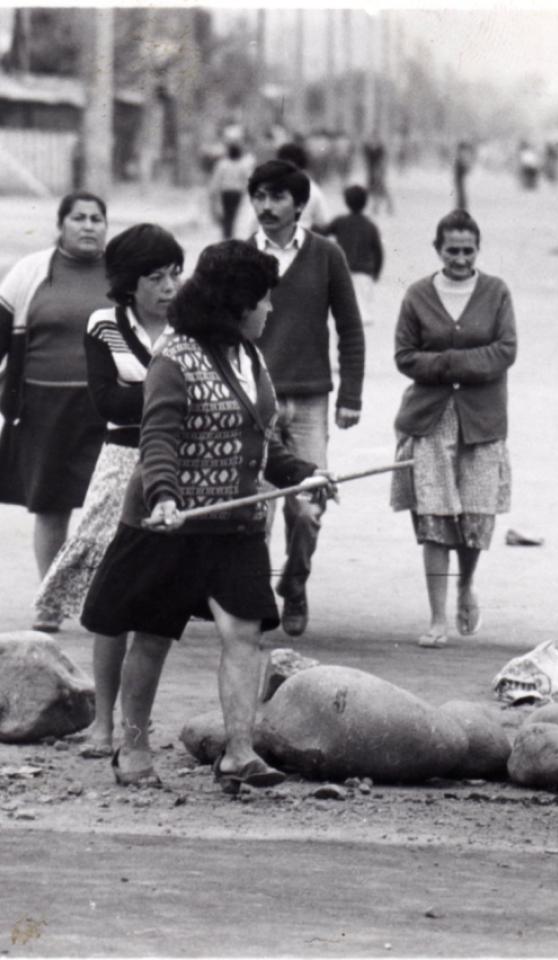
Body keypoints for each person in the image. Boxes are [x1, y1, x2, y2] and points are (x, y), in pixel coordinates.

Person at [80, 240, 335, 790]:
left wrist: (301, 473)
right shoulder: (174, 356)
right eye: (263, 301)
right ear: (236, 304)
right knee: (151, 635)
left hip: (235, 523)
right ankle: (133, 749)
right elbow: (159, 437)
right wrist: (166, 498)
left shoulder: (251, 355)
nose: (271, 311)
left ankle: (238, 753)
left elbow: (260, 441)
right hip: (168, 524)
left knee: (244, 631)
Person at [34, 226, 182, 754]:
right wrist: (170, 393)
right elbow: (107, 404)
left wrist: (144, 393)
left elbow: (131, 397)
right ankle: (102, 724)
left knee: (161, 597)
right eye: (156, 277)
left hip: (181, 463)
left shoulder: (192, 323)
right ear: (128, 283)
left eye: (174, 274)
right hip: (121, 461)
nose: (169, 286)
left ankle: (137, 729)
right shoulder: (105, 324)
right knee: (111, 593)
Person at [248, 158, 364, 636]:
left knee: (307, 507)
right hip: (252, 402)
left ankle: (294, 584)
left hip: (311, 401)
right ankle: (252, 601)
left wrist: (350, 397)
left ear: (299, 204)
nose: (266, 206)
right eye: (259, 196)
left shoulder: (326, 255)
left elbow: (351, 328)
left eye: (277, 197)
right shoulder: (239, 257)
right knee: (255, 508)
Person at [390, 210, 516, 648]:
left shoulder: (496, 292)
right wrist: (451, 366)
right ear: (437, 249)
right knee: (435, 520)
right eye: (452, 251)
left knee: (475, 518)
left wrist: (446, 363)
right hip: (430, 419)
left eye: (468, 251)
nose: (461, 259)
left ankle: (466, 584)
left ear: (478, 249)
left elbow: (505, 350)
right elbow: (404, 356)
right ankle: (436, 616)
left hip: (481, 422)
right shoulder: (418, 295)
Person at [0, 191, 112, 624]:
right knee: (50, 505)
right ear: (61, 225)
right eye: (79, 218)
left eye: (97, 219)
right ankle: (50, 600)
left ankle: (100, 600)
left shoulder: (121, 274)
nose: (88, 226)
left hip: (110, 408)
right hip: (44, 406)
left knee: (110, 507)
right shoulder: (31, 272)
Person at [327, 185, 384, 327]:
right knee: (363, 297)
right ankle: (364, 316)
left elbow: (323, 231)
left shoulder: (340, 221)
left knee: (343, 295)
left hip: (344, 267)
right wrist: (376, 271)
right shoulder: (370, 225)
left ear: (346, 202)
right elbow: (378, 251)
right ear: (365, 202)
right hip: (365, 269)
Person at [276, 142, 332, 234]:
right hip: (304, 241)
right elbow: (324, 223)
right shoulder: (314, 190)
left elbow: (253, 224)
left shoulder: (268, 188)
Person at [207, 143, 253, 240]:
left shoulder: (223, 164)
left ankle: (226, 235)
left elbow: (217, 179)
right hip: (237, 193)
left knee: (226, 214)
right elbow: (247, 179)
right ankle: (229, 234)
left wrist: (213, 191)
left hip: (225, 192)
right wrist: (246, 190)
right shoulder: (242, 165)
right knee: (232, 214)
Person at [363, 138, 394, 216]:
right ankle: (380, 206)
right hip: (373, 172)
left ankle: (378, 207)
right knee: (378, 190)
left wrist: (380, 172)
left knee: (379, 189)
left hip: (377, 171)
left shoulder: (379, 151)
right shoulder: (369, 150)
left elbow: (382, 161)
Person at [452, 140, 475, 212]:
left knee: (461, 195)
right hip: (459, 181)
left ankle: (461, 206)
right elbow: (461, 171)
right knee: (461, 195)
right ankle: (461, 207)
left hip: (459, 181)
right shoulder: (458, 160)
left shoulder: (458, 159)